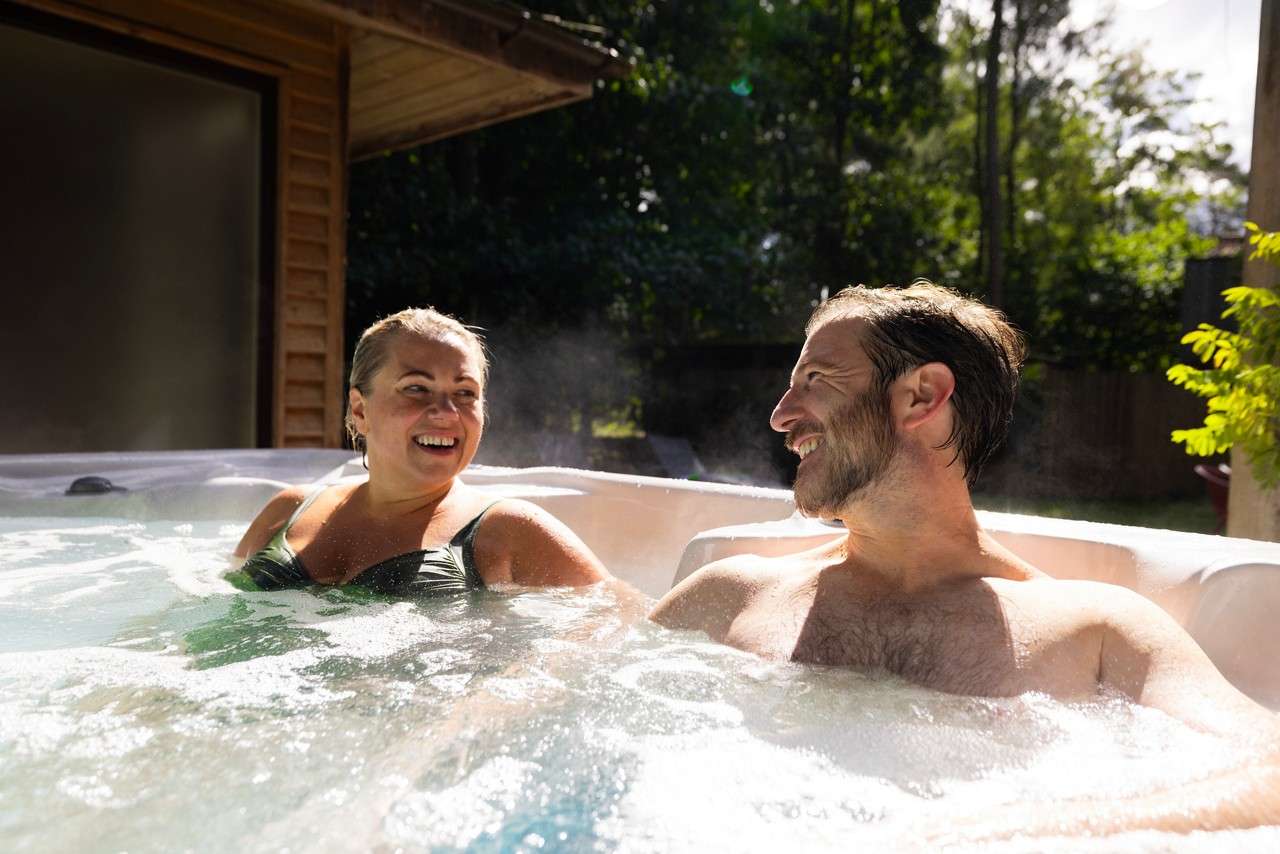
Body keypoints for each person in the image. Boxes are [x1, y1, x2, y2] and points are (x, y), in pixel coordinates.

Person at [650, 281, 1280, 837]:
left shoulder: (1093, 631)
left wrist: (1001, 831)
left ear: (922, 396)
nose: (781, 417)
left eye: (815, 380)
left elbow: (1269, 775)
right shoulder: (730, 593)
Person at [234, 307, 607, 593]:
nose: (446, 413)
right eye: (417, 388)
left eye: (465, 393)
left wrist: (499, 692)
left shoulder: (508, 531)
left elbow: (621, 626)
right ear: (361, 410)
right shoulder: (287, 512)